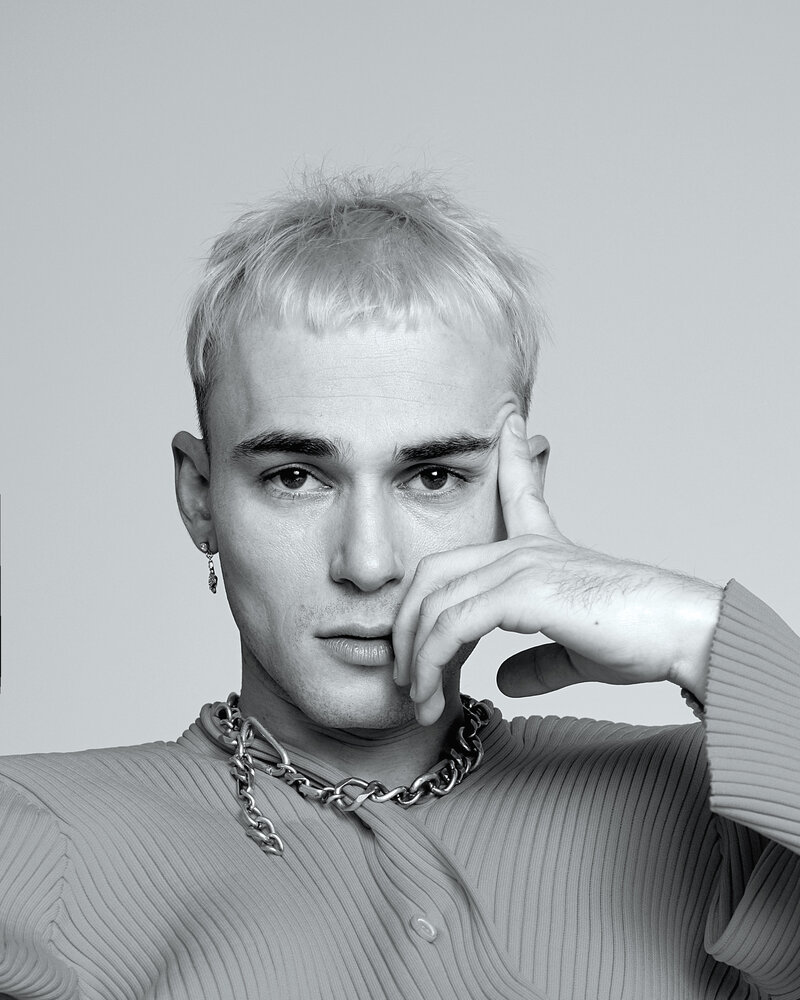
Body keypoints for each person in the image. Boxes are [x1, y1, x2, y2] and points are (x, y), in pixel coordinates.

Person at [0, 173, 798, 1000]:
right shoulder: (33, 842)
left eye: (433, 477)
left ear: (518, 493)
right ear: (201, 498)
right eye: (295, 476)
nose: (369, 562)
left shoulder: (713, 816)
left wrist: (703, 635)